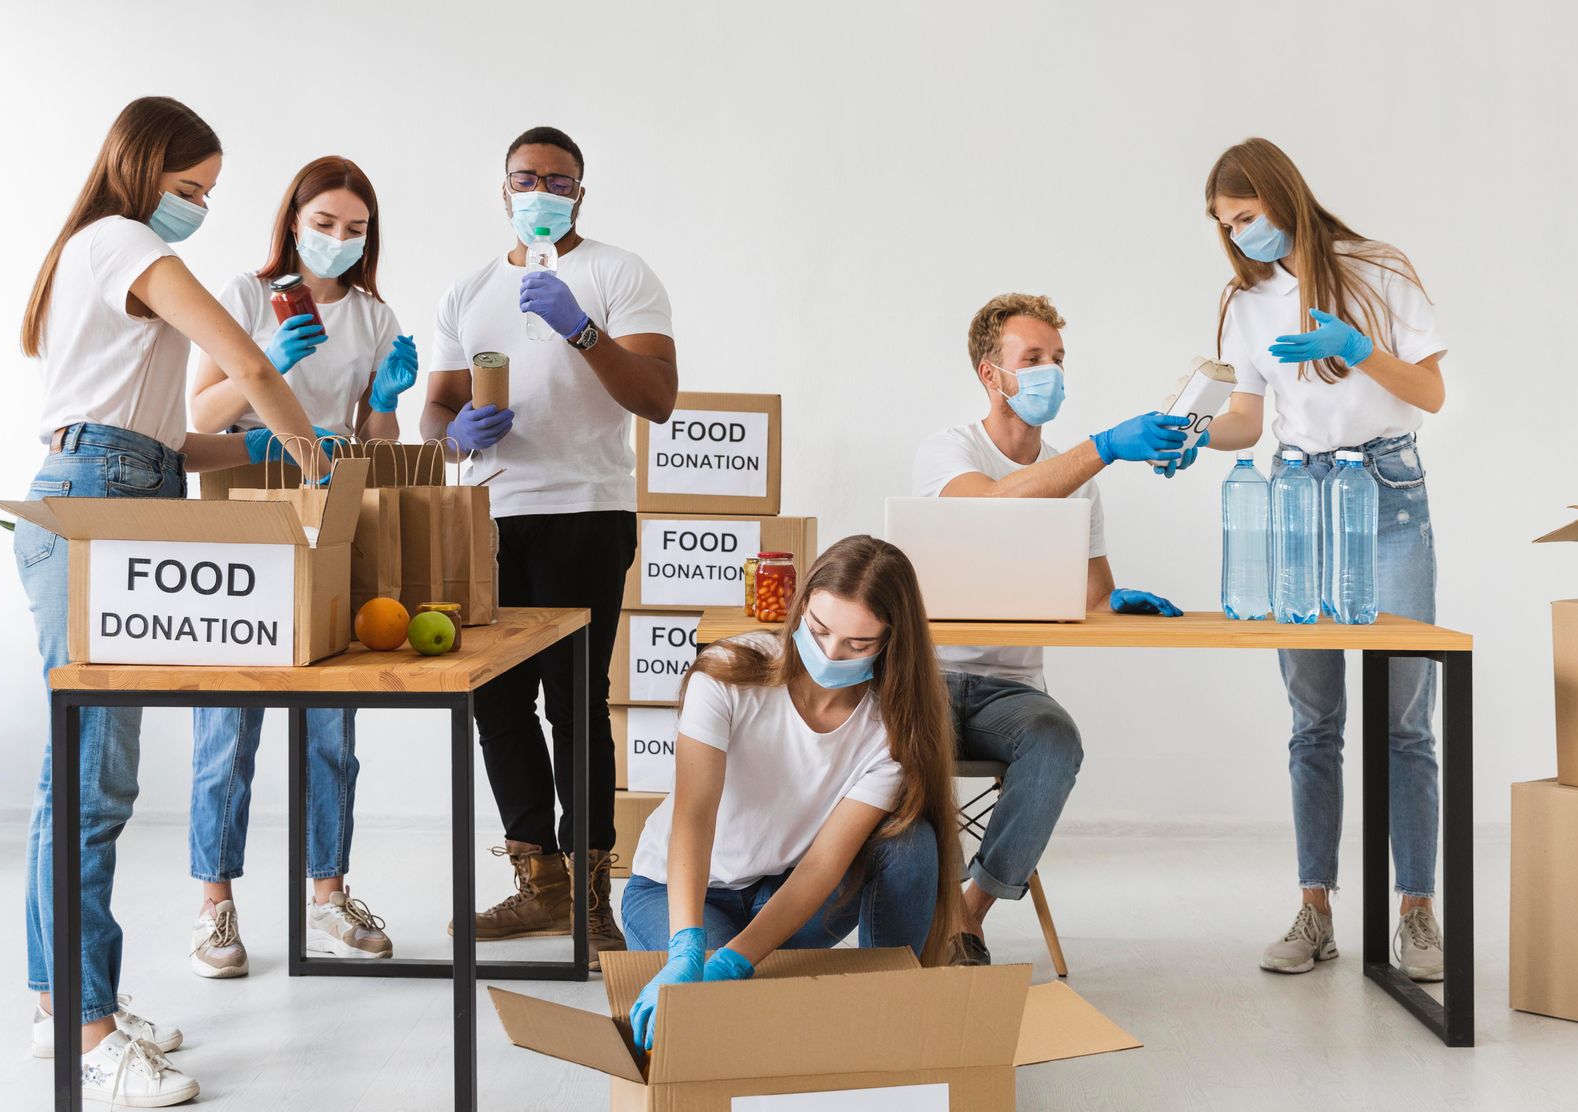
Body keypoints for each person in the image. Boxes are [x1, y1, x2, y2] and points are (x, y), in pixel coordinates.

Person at [15, 97, 333, 1106]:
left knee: (81, 776)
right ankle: (88, 1026)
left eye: (208, 194)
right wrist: (314, 457)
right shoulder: (118, 242)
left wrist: (257, 444)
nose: (198, 208)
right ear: (140, 169)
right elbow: (240, 360)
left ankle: (58, 1003)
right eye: (190, 189)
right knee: (91, 782)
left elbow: (163, 440)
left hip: (119, 489)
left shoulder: (103, 255)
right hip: (96, 512)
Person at [421, 125, 677, 966]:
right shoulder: (467, 292)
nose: (541, 191)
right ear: (503, 188)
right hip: (488, 516)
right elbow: (436, 414)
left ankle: (592, 889)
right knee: (494, 702)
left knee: (573, 703)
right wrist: (453, 430)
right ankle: (541, 884)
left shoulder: (615, 273)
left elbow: (659, 398)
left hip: (585, 511)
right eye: (526, 177)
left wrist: (582, 331)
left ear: (579, 193)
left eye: (558, 181)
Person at [1199, 137, 1449, 980]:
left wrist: (1359, 343)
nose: (1241, 236)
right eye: (1228, 225)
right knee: (1315, 723)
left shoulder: (1379, 269)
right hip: (1299, 499)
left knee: (1406, 720)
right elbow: (1245, 418)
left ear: (1281, 195)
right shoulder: (1247, 300)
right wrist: (1189, 434)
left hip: (1387, 494)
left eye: (1248, 216)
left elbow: (1431, 394)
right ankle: (1315, 910)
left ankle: (1416, 914)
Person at [911, 293, 1198, 963]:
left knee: (1056, 742)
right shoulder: (949, 451)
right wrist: (1102, 448)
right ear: (991, 374)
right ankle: (900, 915)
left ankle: (966, 916)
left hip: (1011, 689)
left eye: (1058, 359)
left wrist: (1118, 599)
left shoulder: (1079, 477)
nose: (1051, 373)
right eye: (1032, 358)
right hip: (926, 677)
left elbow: (1095, 594)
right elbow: (983, 507)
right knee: (884, 750)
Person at [183, 155, 417, 977]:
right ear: (291, 222)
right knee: (227, 726)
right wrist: (268, 359)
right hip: (242, 508)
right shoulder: (244, 299)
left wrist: (385, 400)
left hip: (328, 513)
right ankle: (215, 911)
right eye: (324, 225)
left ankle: (328, 896)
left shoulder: (375, 318)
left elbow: (376, 449)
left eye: (354, 230)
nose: (338, 241)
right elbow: (197, 417)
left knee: (331, 723)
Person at [619, 537, 964, 1049]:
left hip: (786, 893)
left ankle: (891, 1013)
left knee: (912, 841)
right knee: (708, 1023)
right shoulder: (727, 675)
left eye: (858, 645)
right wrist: (688, 947)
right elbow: (694, 816)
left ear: (892, 642)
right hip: (681, 892)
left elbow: (824, 866)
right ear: (802, 606)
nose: (831, 654)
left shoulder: (890, 731)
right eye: (820, 630)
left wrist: (736, 962)